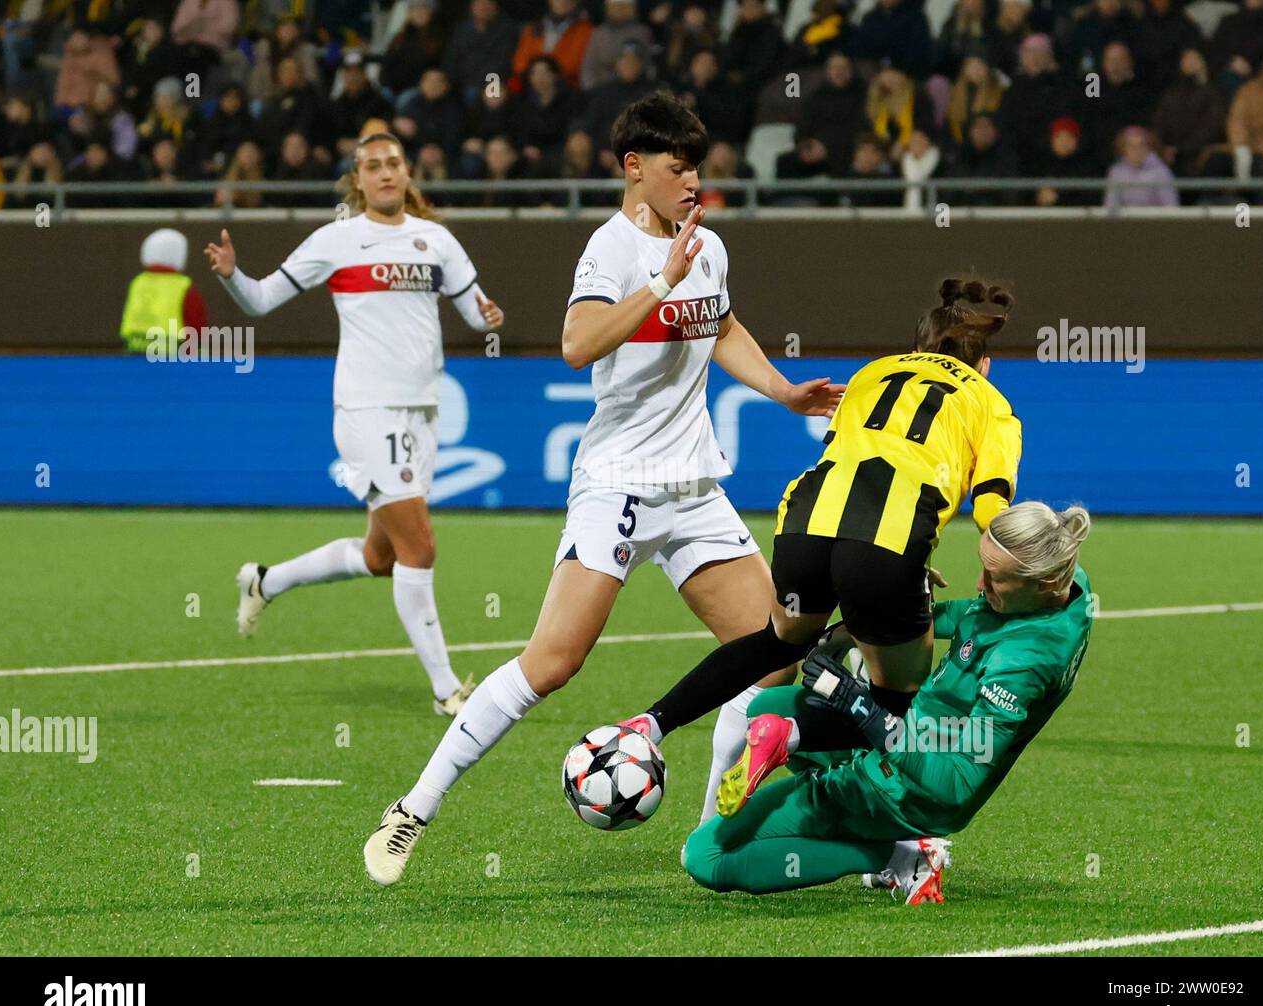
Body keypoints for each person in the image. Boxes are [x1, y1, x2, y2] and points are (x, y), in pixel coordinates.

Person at [363, 91, 844, 885]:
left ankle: (712, 833)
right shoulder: (611, 250)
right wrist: (660, 282)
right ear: (634, 168)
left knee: (775, 651)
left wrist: (783, 390)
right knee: (552, 663)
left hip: (693, 487)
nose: (694, 181)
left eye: (698, 167)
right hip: (619, 485)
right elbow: (576, 344)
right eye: (677, 168)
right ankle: (415, 806)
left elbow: (719, 325)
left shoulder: (709, 248)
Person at [617, 278, 1023, 818]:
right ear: (985, 365)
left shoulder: (872, 375)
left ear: (917, 348)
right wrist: (1007, 577)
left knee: (777, 641)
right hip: (888, 544)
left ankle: (653, 724)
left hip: (805, 524)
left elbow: (855, 459)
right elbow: (991, 507)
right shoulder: (991, 403)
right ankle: (895, 844)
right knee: (898, 694)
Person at [204, 132, 504, 716]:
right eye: (373, 166)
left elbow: (475, 309)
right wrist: (231, 275)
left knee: (382, 557)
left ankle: (266, 580)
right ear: (358, 181)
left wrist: (488, 315)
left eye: (394, 163)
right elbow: (261, 300)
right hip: (366, 412)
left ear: (407, 173)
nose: (385, 173)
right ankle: (448, 691)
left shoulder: (437, 242)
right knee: (420, 546)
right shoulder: (338, 240)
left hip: (422, 412)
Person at [683, 501, 1093, 902]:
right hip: (905, 731)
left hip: (914, 790)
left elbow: (956, 782)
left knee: (705, 858)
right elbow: (974, 615)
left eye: (996, 578)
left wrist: (861, 708)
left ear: (1044, 584)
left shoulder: (1023, 665)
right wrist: (888, 612)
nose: (981, 584)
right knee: (769, 708)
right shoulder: (1066, 582)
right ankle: (842, 807)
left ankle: (898, 854)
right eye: (984, 567)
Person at [119, 229, 208, 354]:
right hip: (172, 359)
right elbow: (197, 327)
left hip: (134, 353)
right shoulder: (183, 287)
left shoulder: (138, 283)